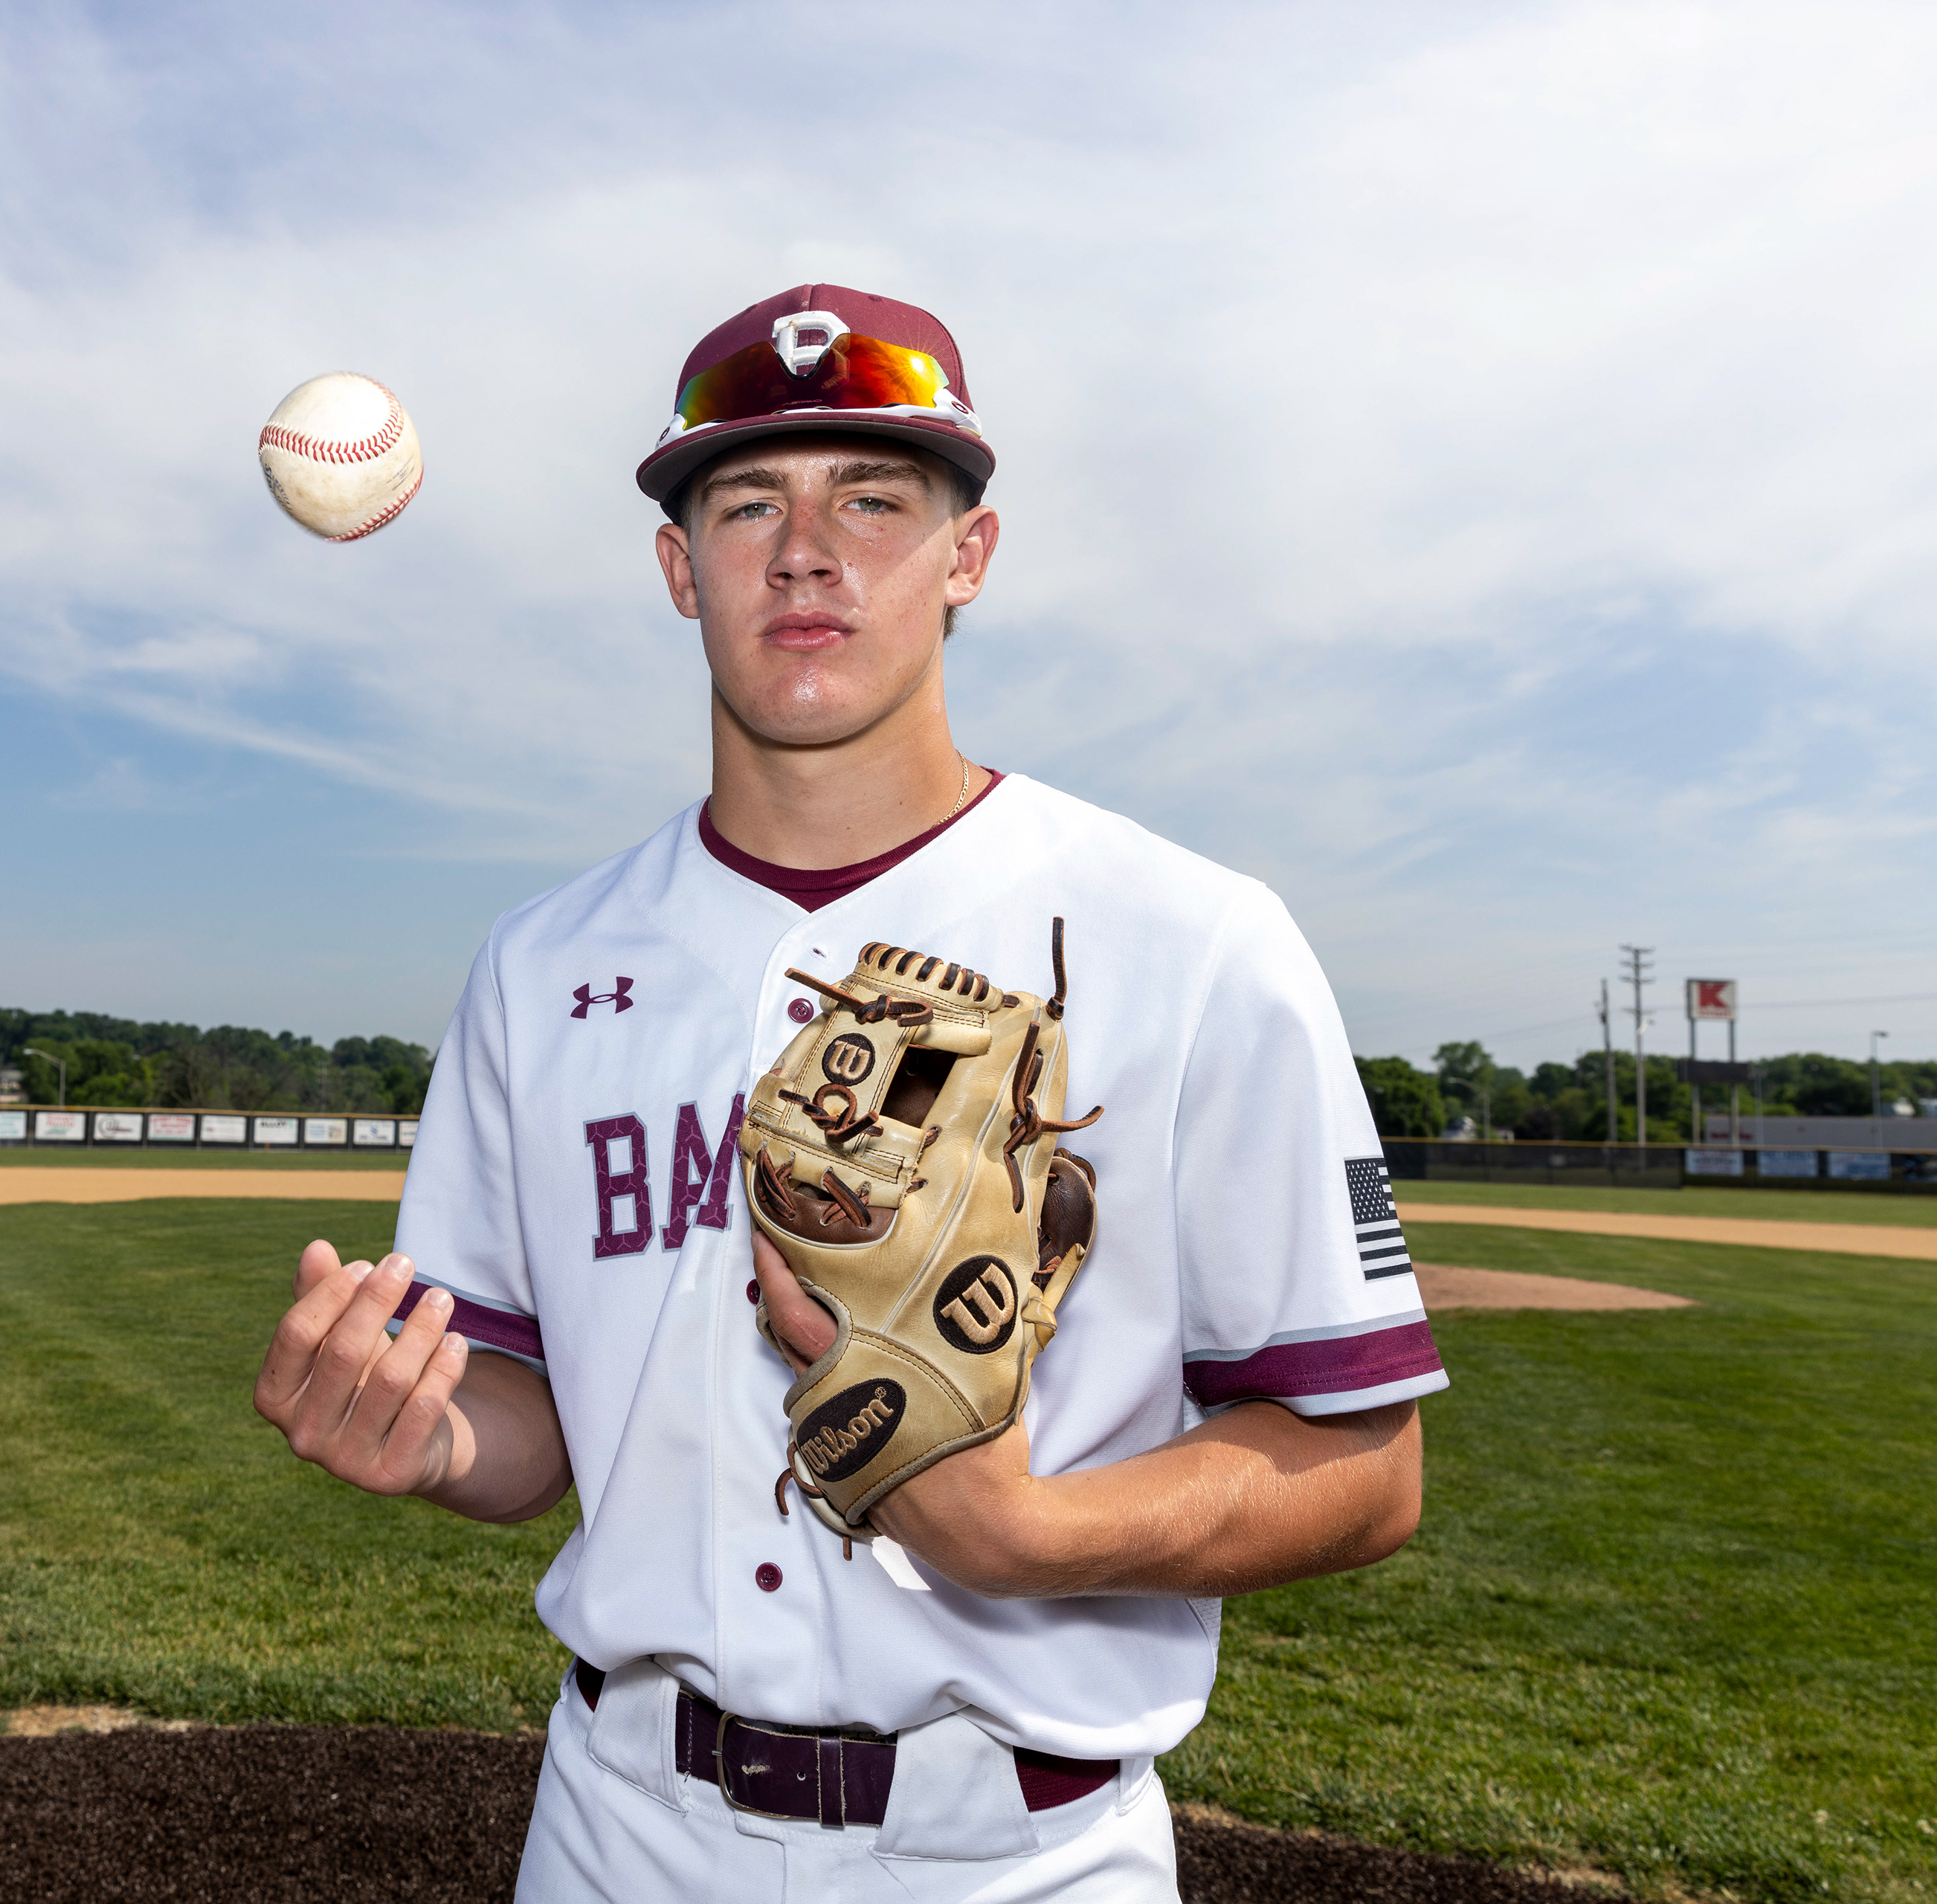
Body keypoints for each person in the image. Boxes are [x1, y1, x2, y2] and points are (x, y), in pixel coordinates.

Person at [254, 285, 1444, 1903]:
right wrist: (431, 1434)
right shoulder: (540, 967)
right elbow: (527, 1423)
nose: (806, 551)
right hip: (617, 1831)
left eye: (872, 499)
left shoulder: (1193, 942)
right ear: (682, 571)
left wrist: (1032, 1540)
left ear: (970, 556)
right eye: (749, 504)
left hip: (1019, 1857)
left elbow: (1365, 1463)